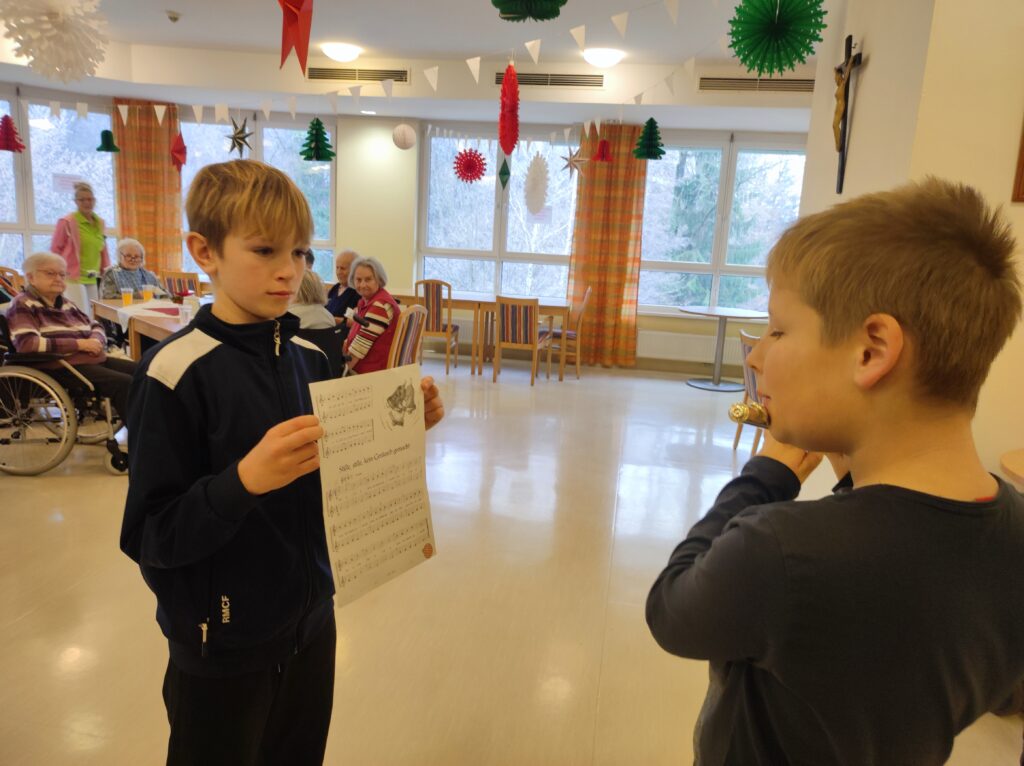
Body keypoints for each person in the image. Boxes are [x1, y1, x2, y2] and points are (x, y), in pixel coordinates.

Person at [646, 178, 1024, 766]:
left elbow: (671, 611)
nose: (756, 356)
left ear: (872, 351)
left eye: (778, 330)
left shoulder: (778, 549)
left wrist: (766, 474)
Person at [119, 159, 445, 766]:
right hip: (221, 647)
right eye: (265, 250)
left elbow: (335, 481)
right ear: (205, 251)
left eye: (299, 252)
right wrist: (243, 481)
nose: (289, 270)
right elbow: (149, 535)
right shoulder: (173, 373)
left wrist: (400, 431)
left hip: (310, 625)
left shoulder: (309, 357)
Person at [5, 252, 136, 422]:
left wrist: (95, 340)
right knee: (124, 383)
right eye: (50, 273)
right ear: (31, 277)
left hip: (90, 359)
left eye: (62, 274)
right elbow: (28, 344)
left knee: (145, 371)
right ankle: (143, 435)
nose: (58, 279)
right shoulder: (22, 304)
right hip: (59, 366)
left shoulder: (66, 303)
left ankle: (157, 425)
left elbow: (95, 325)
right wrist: (79, 344)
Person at [51, 181, 109, 313]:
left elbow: (103, 250)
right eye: (82, 200)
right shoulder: (67, 222)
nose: (86, 203)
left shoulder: (100, 223)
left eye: (89, 199)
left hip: (93, 277)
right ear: (76, 202)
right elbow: (55, 250)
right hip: (73, 277)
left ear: (94, 201)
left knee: (94, 314)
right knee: (79, 313)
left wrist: (106, 272)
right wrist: (56, 275)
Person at [343, 256, 400, 374]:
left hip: (372, 373)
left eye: (368, 279)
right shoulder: (368, 302)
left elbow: (358, 350)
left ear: (378, 279)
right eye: (358, 280)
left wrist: (339, 375)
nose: (363, 285)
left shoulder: (379, 307)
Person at [99, 238, 166, 299]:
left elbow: (165, 295)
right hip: (123, 308)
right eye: (128, 256)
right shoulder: (111, 274)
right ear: (119, 256)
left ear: (142, 258)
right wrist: (137, 295)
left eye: (136, 256)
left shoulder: (150, 276)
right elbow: (107, 296)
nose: (133, 260)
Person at [325, 249, 359, 326]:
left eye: (343, 268)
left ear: (354, 270)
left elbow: (356, 323)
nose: (338, 272)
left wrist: (337, 321)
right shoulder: (335, 288)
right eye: (337, 268)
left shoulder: (358, 292)